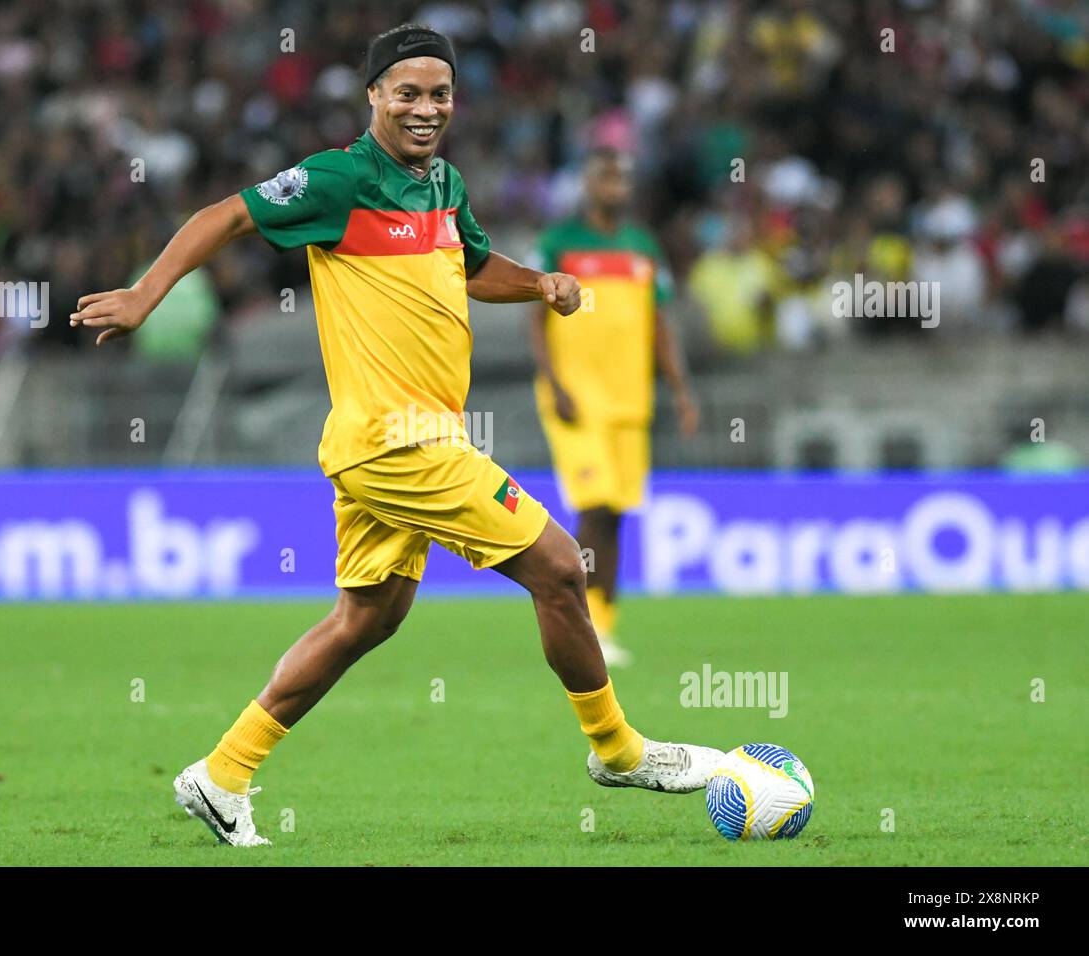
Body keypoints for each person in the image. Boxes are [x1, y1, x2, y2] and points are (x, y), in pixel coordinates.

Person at [70, 23, 721, 847]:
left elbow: (475, 266)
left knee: (368, 617)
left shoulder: (443, 184)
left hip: (402, 440)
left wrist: (543, 283)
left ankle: (223, 773)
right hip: (397, 441)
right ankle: (618, 750)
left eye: (439, 93)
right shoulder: (338, 179)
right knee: (560, 567)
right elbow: (225, 216)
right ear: (372, 95)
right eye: (407, 92)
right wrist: (143, 293)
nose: (425, 107)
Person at [531, 147, 699, 667]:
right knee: (596, 504)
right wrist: (553, 380)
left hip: (631, 399)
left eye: (623, 177)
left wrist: (681, 389)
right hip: (578, 398)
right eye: (606, 177)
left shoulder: (643, 247)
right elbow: (535, 318)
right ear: (588, 184)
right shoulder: (559, 243)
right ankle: (582, 623)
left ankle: (603, 624)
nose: (615, 186)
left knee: (617, 513)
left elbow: (659, 324)